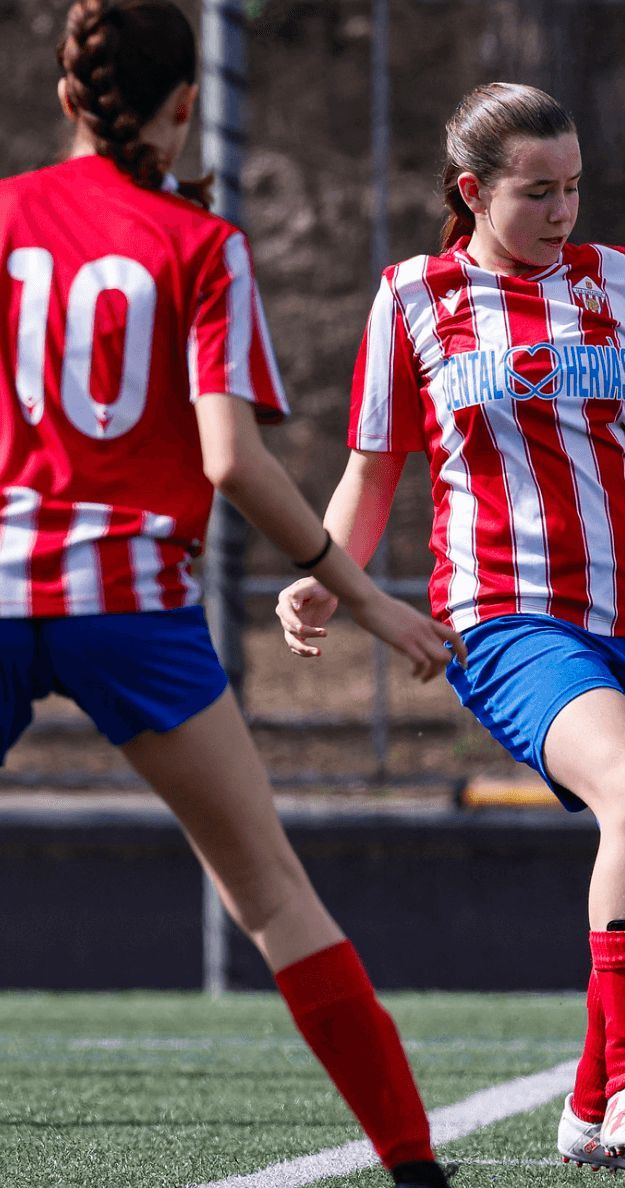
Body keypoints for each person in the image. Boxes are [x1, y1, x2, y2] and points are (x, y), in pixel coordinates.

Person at [274, 82, 625, 1173]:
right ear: (473, 192)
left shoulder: (617, 278)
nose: (563, 209)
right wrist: (325, 575)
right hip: (504, 614)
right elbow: (375, 468)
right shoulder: (413, 297)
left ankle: (586, 1109)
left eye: (573, 187)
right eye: (537, 192)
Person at [0, 5, 462, 1186]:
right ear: (186, 105)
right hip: (133, 611)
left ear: (65, 97)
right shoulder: (199, 242)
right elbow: (232, 463)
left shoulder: (4, 220)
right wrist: (362, 599)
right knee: (271, 893)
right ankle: (414, 1166)